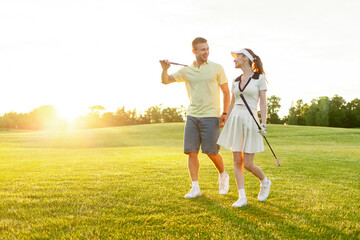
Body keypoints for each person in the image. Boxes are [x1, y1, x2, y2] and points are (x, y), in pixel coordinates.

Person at [160, 37, 230, 198]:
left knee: (211, 152)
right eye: (202, 49)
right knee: (191, 152)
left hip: (211, 116)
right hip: (192, 116)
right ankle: (195, 187)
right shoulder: (186, 70)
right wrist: (165, 69)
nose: (206, 52)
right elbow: (165, 81)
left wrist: (225, 113)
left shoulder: (217, 68)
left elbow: (226, 92)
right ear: (195, 51)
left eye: (207, 48)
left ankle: (223, 175)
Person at [217, 48, 271, 207]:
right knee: (236, 160)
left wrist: (263, 123)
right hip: (236, 119)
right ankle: (242, 197)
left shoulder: (259, 78)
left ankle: (265, 181)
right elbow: (232, 102)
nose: (234, 60)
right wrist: (227, 122)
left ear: (245, 59)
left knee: (248, 164)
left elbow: (263, 103)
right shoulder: (235, 80)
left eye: (237, 58)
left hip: (250, 120)